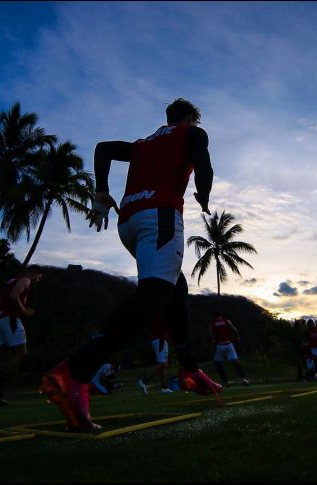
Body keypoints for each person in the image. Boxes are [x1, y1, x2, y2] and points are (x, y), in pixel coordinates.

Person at [38, 98, 222, 431]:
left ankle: (189, 368)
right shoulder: (192, 134)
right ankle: (76, 371)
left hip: (129, 222)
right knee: (153, 299)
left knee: (175, 291)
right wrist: (205, 195)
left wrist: (101, 191)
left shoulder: (142, 144)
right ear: (189, 119)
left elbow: (103, 148)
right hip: (160, 217)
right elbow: (203, 166)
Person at [0, 265, 42, 407]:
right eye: (39, 277)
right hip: (9, 319)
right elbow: (13, 296)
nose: (37, 280)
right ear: (34, 273)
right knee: (20, 354)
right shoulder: (25, 280)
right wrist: (24, 311)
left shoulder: (11, 281)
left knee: (6, 357)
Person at [210, 311, 250, 386]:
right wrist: (238, 337)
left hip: (220, 345)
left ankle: (226, 382)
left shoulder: (212, 323)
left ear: (214, 316)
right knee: (236, 362)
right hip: (229, 344)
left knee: (218, 364)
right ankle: (244, 379)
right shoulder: (227, 321)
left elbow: (211, 334)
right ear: (220, 315)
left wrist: (213, 341)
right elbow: (235, 330)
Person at [138, 315, 174, 394]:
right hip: (160, 340)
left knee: (164, 365)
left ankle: (164, 387)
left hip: (158, 340)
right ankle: (144, 381)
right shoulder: (162, 316)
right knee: (162, 364)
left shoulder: (157, 316)